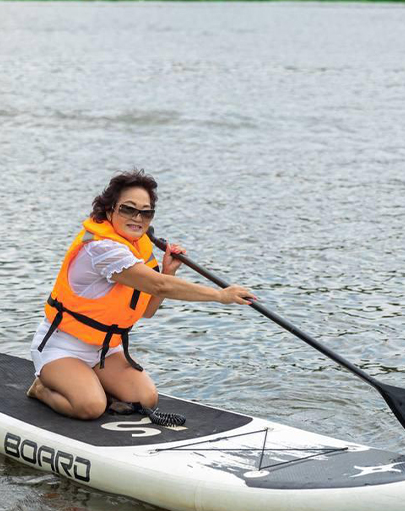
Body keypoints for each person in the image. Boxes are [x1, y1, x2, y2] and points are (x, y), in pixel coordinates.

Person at [28, 169, 255, 421]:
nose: (138, 217)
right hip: (63, 347)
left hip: (105, 349)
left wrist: (168, 271)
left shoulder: (135, 249)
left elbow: (147, 311)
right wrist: (220, 296)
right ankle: (41, 388)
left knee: (146, 399)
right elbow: (159, 286)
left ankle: (91, 382)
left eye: (146, 212)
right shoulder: (101, 249)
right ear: (109, 209)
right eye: (128, 209)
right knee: (90, 407)